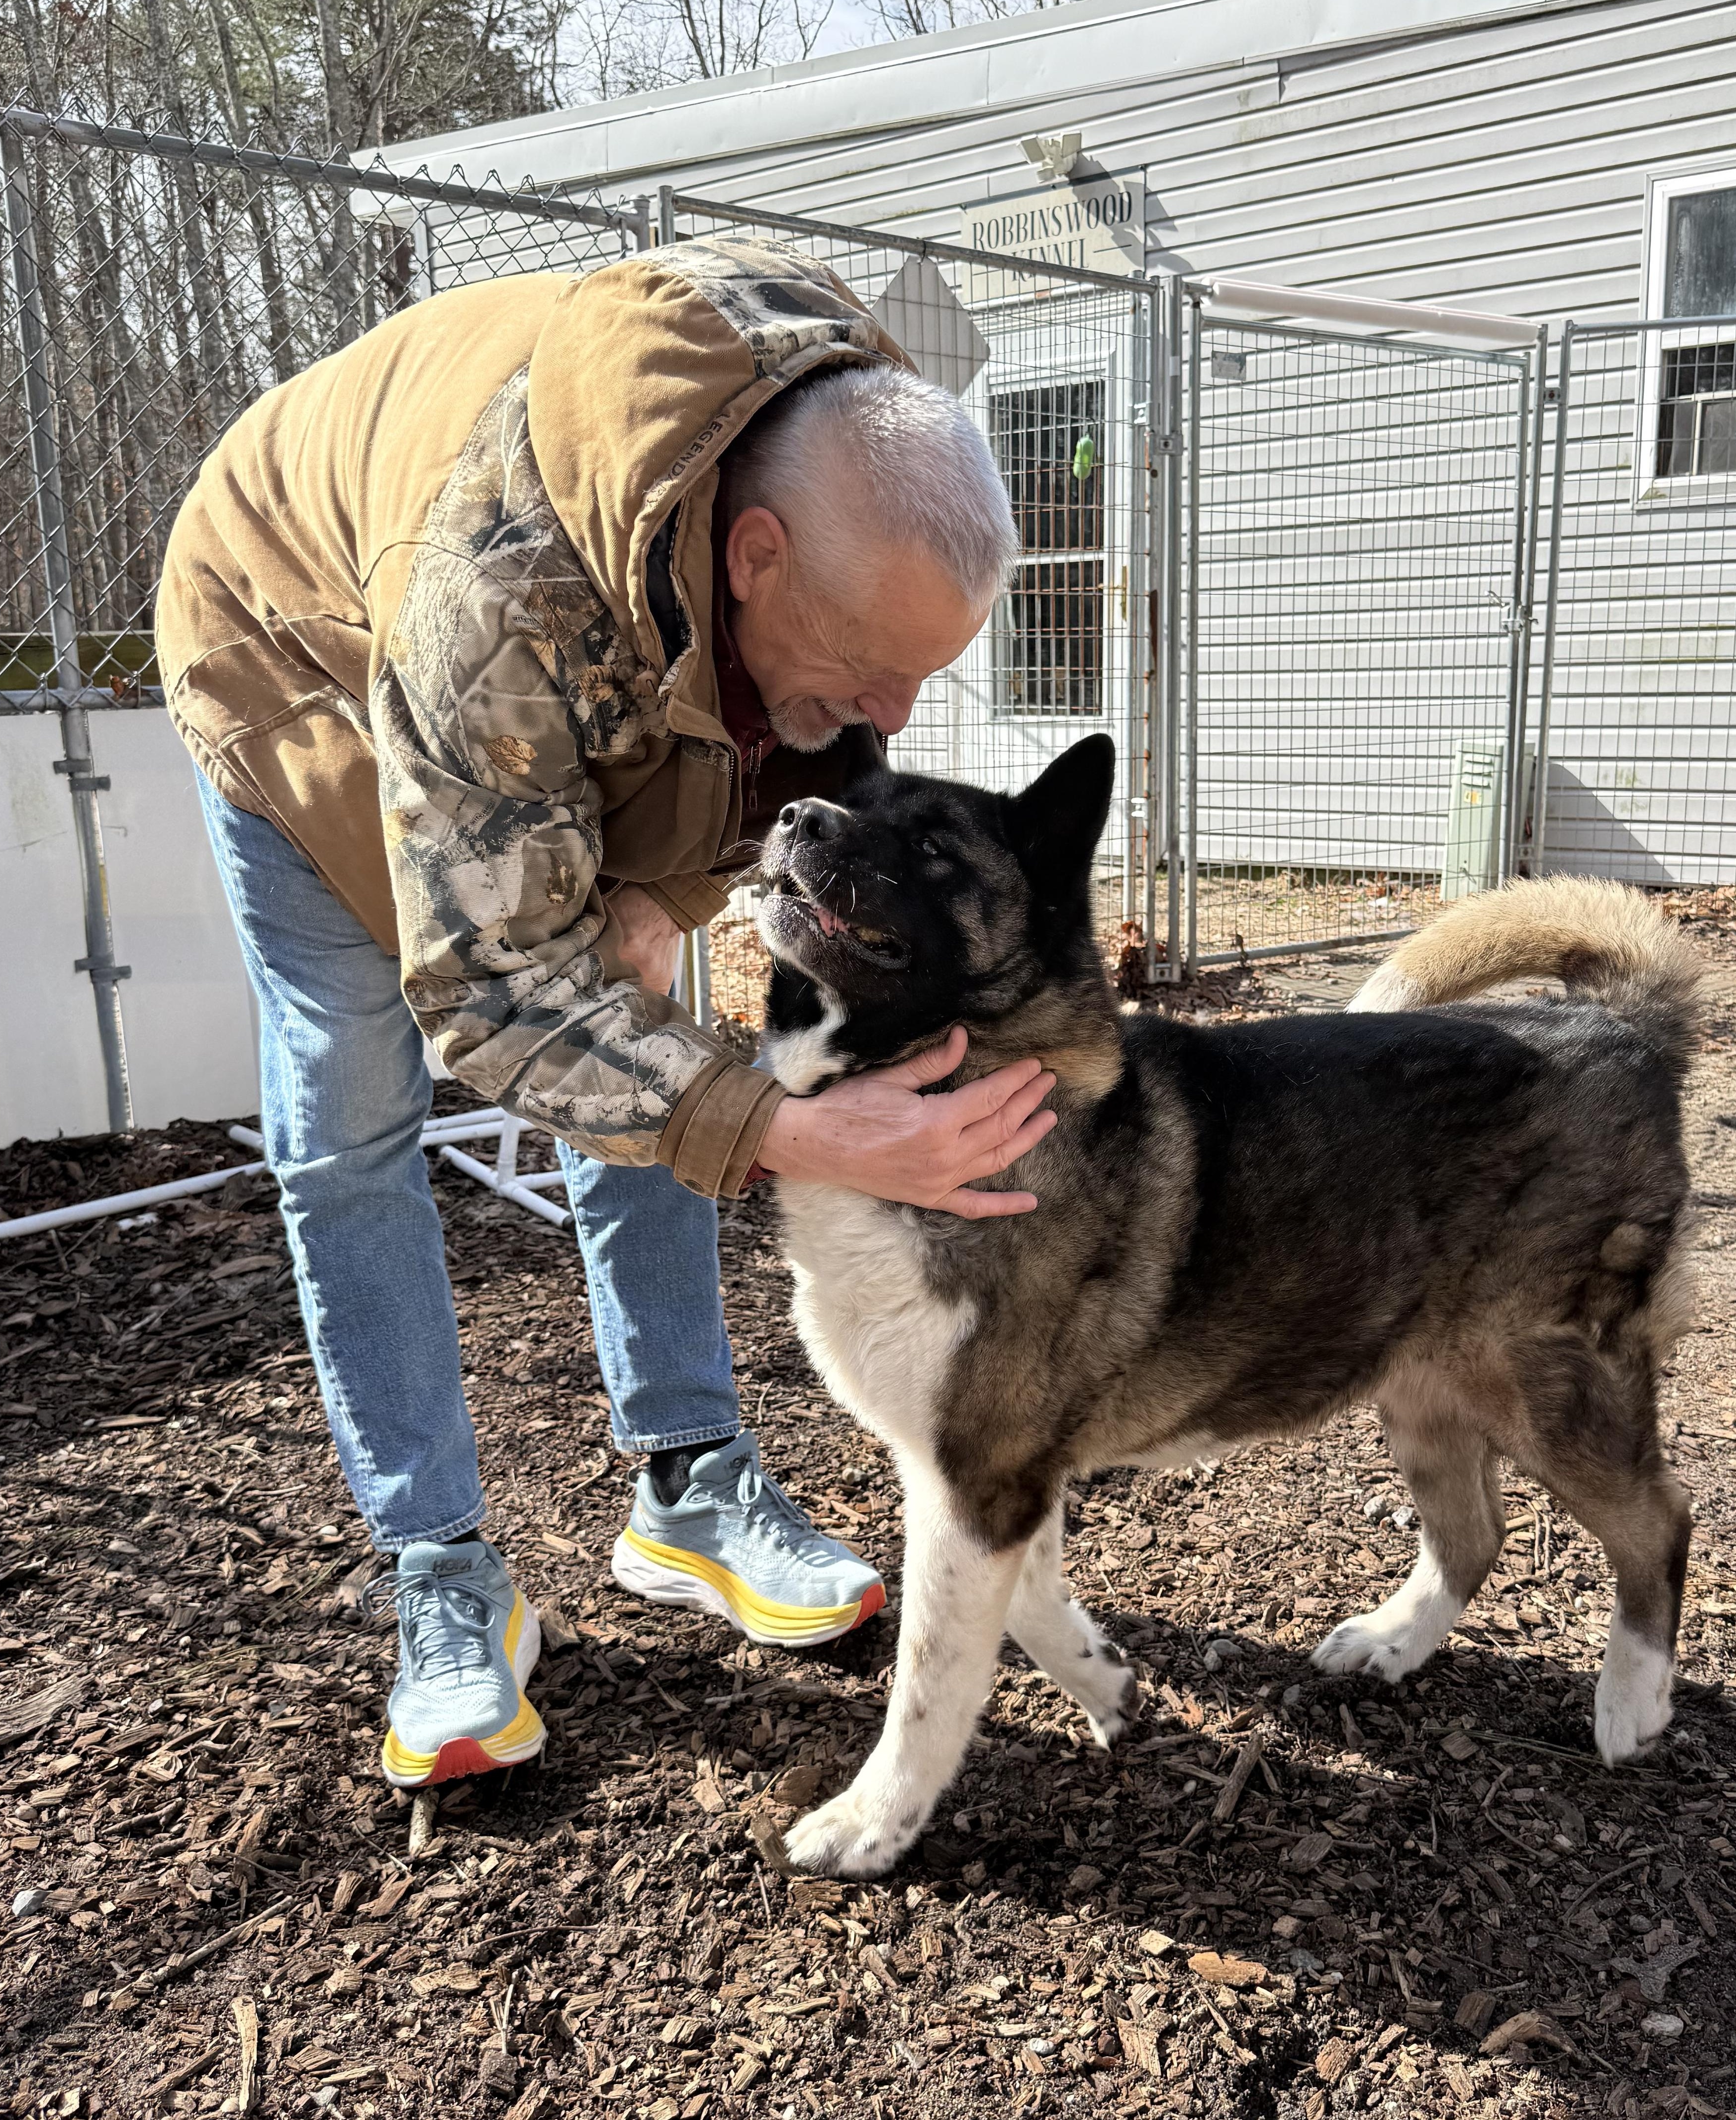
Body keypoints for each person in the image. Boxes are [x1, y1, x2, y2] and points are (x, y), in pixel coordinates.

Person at [155, 233, 1059, 1788]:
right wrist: (786, 1126)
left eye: (922, 677)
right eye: (866, 669)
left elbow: (785, 770)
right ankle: (439, 1565)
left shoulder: (856, 453)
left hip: (599, 660)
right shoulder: (493, 602)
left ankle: (689, 1482)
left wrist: (669, 899)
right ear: (756, 557)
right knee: (353, 1108)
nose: (897, 722)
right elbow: (492, 991)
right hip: (297, 653)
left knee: (643, 1009)